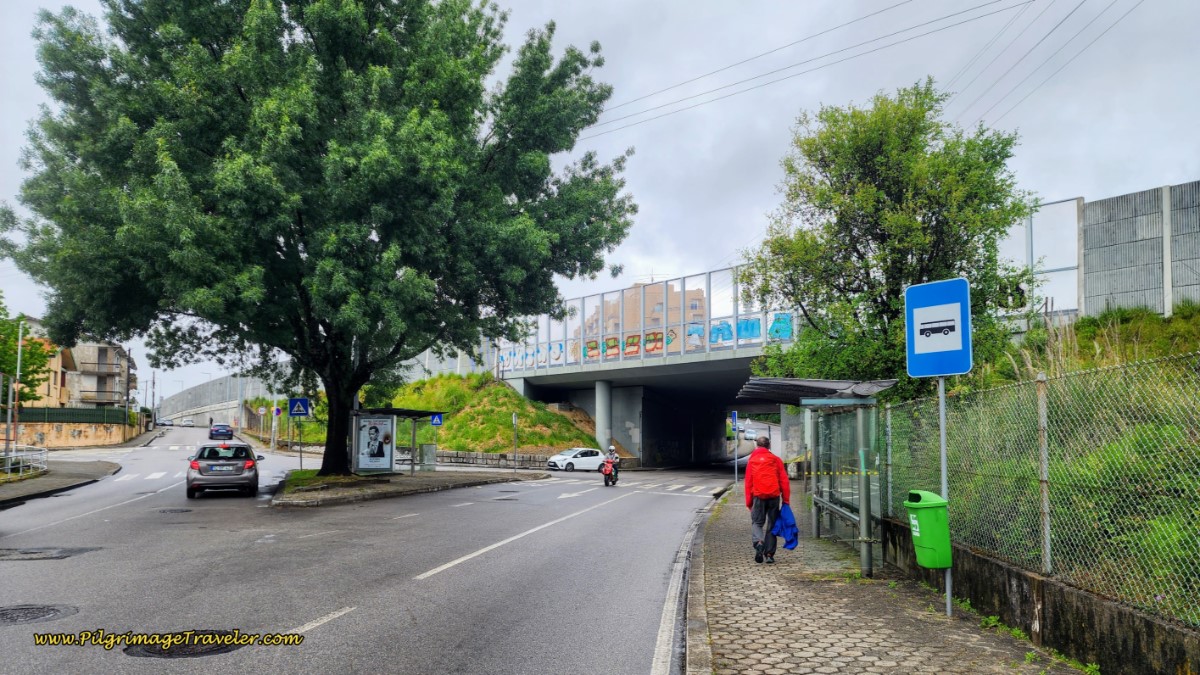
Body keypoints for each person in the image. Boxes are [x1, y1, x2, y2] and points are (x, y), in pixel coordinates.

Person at [744, 435, 789, 564]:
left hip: (758, 496)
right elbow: (784, 481)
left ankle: (759, 542)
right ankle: (769, 554)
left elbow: (748, 483)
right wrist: (786, 500)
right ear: (769, 446)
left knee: (757, 522)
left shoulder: (752, 461)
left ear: (757, 446)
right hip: (774, 496)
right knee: (772, 525)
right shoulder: (776, 460)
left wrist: (749, 502)